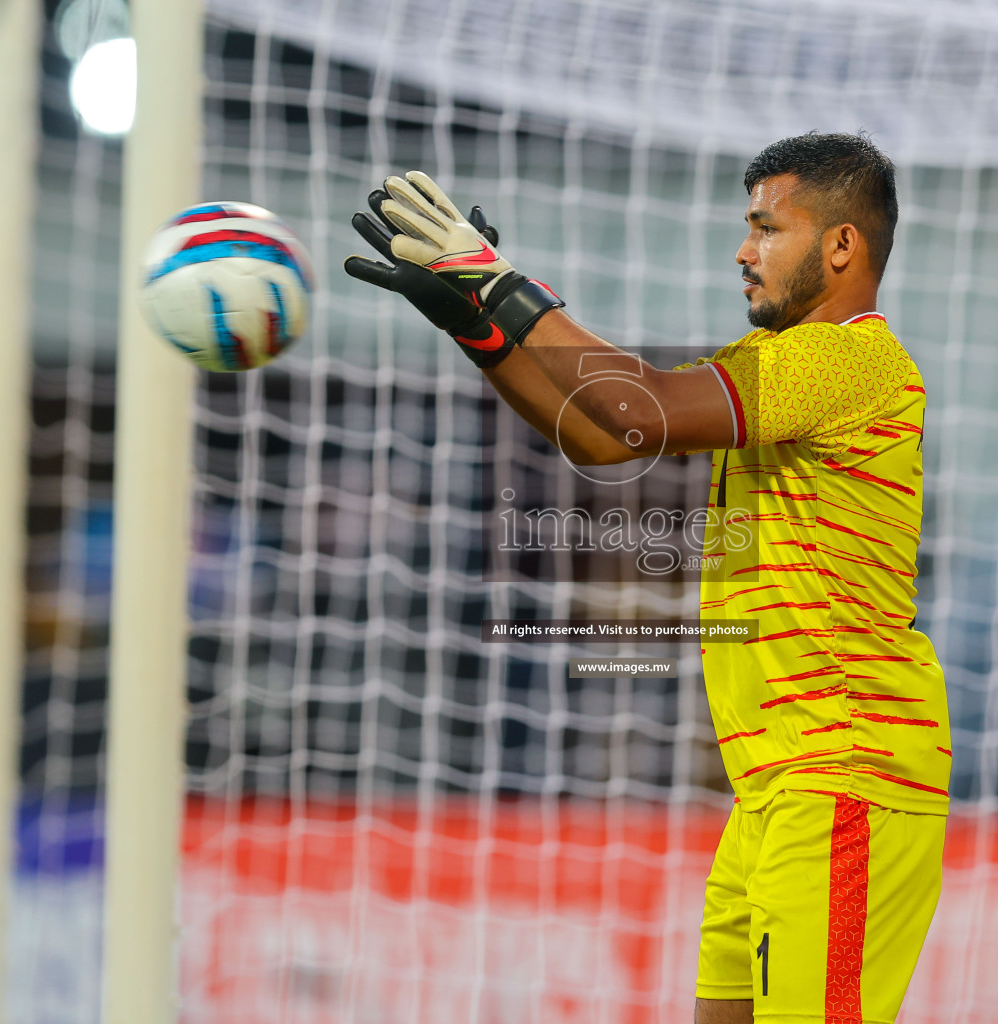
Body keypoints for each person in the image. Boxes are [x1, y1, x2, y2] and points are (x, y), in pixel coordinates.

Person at [345, 130, 949, 1024]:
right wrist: (480, 329)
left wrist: (502, 286)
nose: (743, 251)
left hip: (845, 779)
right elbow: (600, 436)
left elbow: (638, 408)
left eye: (765, 228)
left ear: (840, 246)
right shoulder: (777, 366)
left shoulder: (851, 358)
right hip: (773, 792)